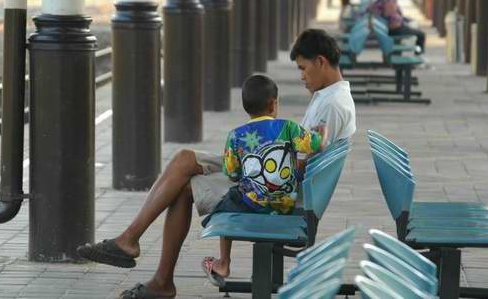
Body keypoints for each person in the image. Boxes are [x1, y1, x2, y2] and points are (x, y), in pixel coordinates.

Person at [76, 29, 356, 299]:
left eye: (303, 68)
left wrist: (255, 158)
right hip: (271, 173)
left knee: (185, 183)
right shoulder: (330, 97)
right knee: (184, 159)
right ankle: (134, 246)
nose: (302, 76)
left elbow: (302, 164)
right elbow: (305, 150)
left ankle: (150, 265)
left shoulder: (332, 105)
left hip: (273, 186)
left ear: (321, 61)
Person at [200, 74, 325, 287]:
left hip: (252, 205)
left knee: (225, 204)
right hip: (285, 204)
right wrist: (322, 133)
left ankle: (223, 262)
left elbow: (231, 173)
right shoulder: (289, 127)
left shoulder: (236, 135)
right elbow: (315, 145)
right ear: (273, 104)